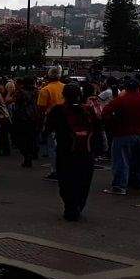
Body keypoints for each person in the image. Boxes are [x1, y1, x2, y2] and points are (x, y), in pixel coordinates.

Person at [46, 83, 101, 221]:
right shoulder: (88, 109)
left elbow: (47, 128)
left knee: (65, 180)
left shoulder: (58, 110)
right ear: (79, 94)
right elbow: (99, 127)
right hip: (86, 151)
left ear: (63, 95)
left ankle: (70, 206)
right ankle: (78, 206)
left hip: (65, 151)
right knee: (84, 180)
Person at [102, 79, 140, 196]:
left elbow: (105, 113)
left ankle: (120, 186)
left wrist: (113, 125)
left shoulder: (120, 100)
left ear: (126, 89)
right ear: (139, 88)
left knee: (121, 161)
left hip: (123, 134)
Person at [37, 67, 65, 181]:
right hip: (65, 120)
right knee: (63, 146)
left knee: (52, 147)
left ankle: (55, 171)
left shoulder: (45, 90)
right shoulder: (65, 87)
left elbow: (41, 108)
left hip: (51, 121)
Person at [11, 77, 40, 168]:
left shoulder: (20, 92)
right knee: (32, 137)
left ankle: (26, 156)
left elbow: (16, 102)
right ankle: (32, 153)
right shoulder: (37, 92)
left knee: (22, 138)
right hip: (34, 116)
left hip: (22, 117)